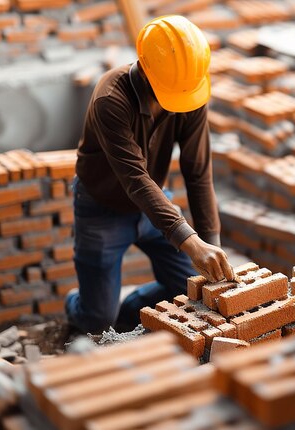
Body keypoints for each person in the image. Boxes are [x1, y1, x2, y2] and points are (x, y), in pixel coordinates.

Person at [66, 15, 234, 334]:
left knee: (190, 287)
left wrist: (210, 242)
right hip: (102, 208)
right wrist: (190, 242)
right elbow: (136, 180)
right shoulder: (110, 99)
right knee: (99, 319)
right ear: (145, 68)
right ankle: (80, 305)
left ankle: (131, 311)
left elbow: (197, 171)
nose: (178, 103)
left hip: (155, 205)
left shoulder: (189, 94)